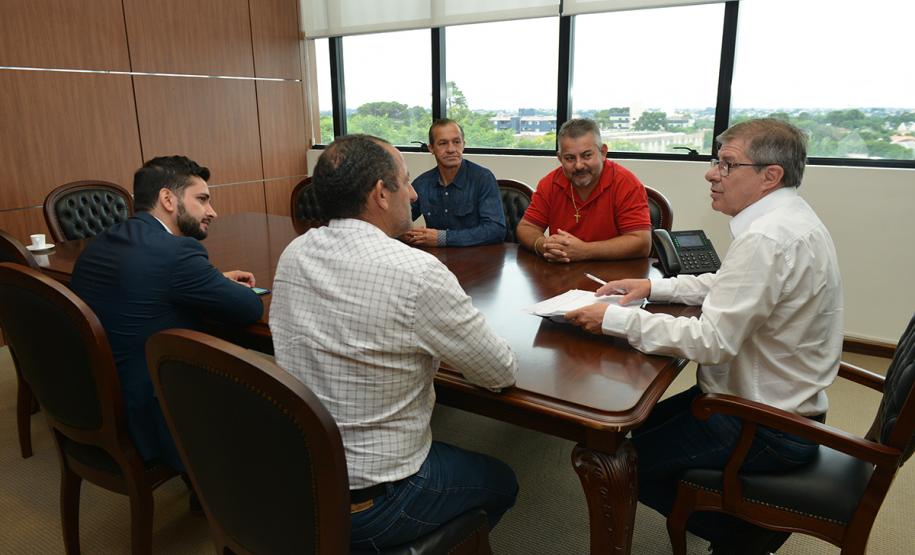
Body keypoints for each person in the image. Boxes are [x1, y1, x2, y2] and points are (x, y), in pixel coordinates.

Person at [565, 118, 844, 554]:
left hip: (765, 425)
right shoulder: (789, 218)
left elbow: (712, 342)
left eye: (727, 164)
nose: (711, 173)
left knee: (619, 463)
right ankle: (737, 524)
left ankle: (749, 533)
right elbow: (730, 284)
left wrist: (613, 320)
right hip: (781, 406)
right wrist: (653, 287)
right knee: (637, 426)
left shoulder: (768, 238)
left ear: (770, 176)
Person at [270, 134, 519, 551]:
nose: (414, 192)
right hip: (378, 501)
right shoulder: (416, 272)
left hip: (305, 476)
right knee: (503, 482)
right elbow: (499, 372)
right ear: (380, 194)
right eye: (405, 181)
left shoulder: (295, 253)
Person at [70, 156, 264, 472]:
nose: (212, 211)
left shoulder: (102, 241)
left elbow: (147, 284)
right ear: (168, 199)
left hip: (92, 398)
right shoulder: (177, 254)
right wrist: (209, 281)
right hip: (148, 413)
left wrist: (208, 280)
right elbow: (248, 309)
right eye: (202, 199)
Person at [516, 118, 652, 262]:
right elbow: (526, 227)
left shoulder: (626, 183)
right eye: (570, 158)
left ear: (603, 152)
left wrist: (585, 251)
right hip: (562, 275)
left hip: (614, 275)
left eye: (587, 155)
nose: (579, 165)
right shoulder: (550, 183)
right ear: (560, 158)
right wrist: (543, 245)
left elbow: (642, 243)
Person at [402, 119, 506, 246]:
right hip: (436, 260)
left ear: (463, 144)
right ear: (431, 148)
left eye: (456, 142)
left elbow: (496, 230)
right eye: (443, 143)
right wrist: (406, 234)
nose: (451, 149)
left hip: (478, 259)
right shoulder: (422, 183)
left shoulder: (483, 178)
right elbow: (399, 222)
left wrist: (442, 238)